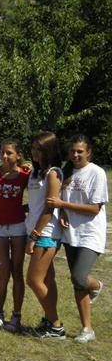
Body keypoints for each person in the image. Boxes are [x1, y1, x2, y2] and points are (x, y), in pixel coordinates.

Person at [48, 134, 107, 344]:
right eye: (72, 151)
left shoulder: (97, 173)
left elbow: (94, 208)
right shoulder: (66, 172)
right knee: (77, 283)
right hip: (71, 234)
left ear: (88, 152)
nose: (75, 155)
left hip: (91, 233)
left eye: (80, 151)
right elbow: (62, 200)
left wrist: (63, 206)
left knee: (80, 278)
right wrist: (63, 212)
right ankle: (87, 329)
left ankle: (96, 285)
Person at [0, 138, 29, 333]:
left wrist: (26, 208)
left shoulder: (25, 175)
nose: (4, 156)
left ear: (18, 155)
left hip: (18, 226)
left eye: (9, 153)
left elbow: (39, 196)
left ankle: (16, 315)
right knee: (3, 271)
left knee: (17, 270)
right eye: (2, 152)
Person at [25, 131, 65, 339]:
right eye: (33, 148)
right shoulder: (37, 172)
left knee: (33, 280)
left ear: (49, 150)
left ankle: (56, 325)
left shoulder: (53, 173)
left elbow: (49, 208)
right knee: (48, 279)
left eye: (39, 149)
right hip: (34, 229)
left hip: (46, 233)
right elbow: (35, 204)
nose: (35, 153)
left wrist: (34, 235)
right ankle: (49, 321)